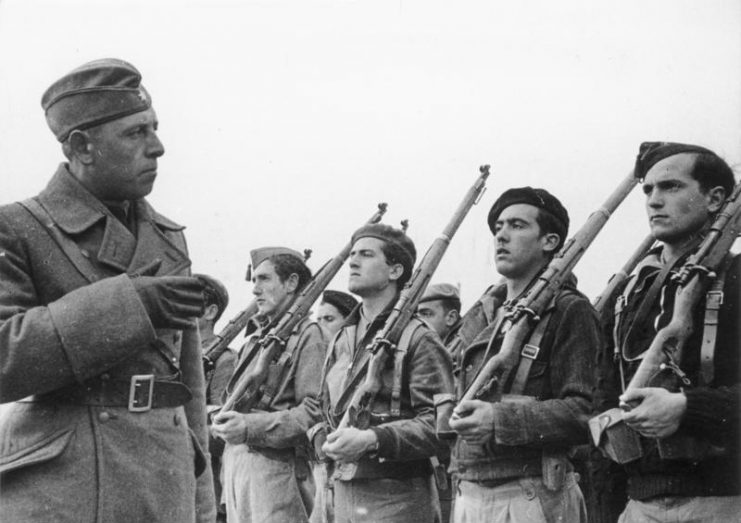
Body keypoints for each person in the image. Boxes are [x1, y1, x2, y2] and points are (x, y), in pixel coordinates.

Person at [0, 58, 215, 522]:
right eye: (135, 133)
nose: (157, 147)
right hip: (65, 488)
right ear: (83, 146)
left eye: (154, 128)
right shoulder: (17, 228)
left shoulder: (167, 235)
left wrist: (201, 500)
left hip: (164, 480)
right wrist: (128, 305)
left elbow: (188, 385)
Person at [593, 142, 740, 522]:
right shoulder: (629, 292)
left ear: (716, 198)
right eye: (648, 190)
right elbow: (603, 395)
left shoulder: (737, 279)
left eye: (671, 187)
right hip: (638, 505)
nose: (654, 200)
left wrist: (687, 407)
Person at [448, 187, 599, 523]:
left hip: (530, 492)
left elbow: (584, 413)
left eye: (517, 225)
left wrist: (497, 419)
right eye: (498, 226)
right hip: (471, 491)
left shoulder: (570, 310)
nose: (501, 235)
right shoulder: (484, 315)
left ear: (550, 241)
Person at [312, 223, 454, 523]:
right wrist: (319, 437)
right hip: (337, 491)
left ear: (395, 271)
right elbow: (321, 409)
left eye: (365, 254)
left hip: (397, 496)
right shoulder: (342, 337)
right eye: (352, 254)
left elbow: (440, 428)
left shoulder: (420, 338)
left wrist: (373, 438)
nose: (352, 261)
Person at [212, 247, 328, 523]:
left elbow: (313, 413)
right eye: (254, 281)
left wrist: (250, 426)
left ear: (291, 284)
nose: (255, 289)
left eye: (264, 279)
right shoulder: (256, 339)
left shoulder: (310, 336)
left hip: (278, 470)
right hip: (239, 467)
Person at [195, 273, 237, 523]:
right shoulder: (174, 355)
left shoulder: (224, 360)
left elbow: (220, 426)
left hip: (208, 479)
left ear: (210, 312)